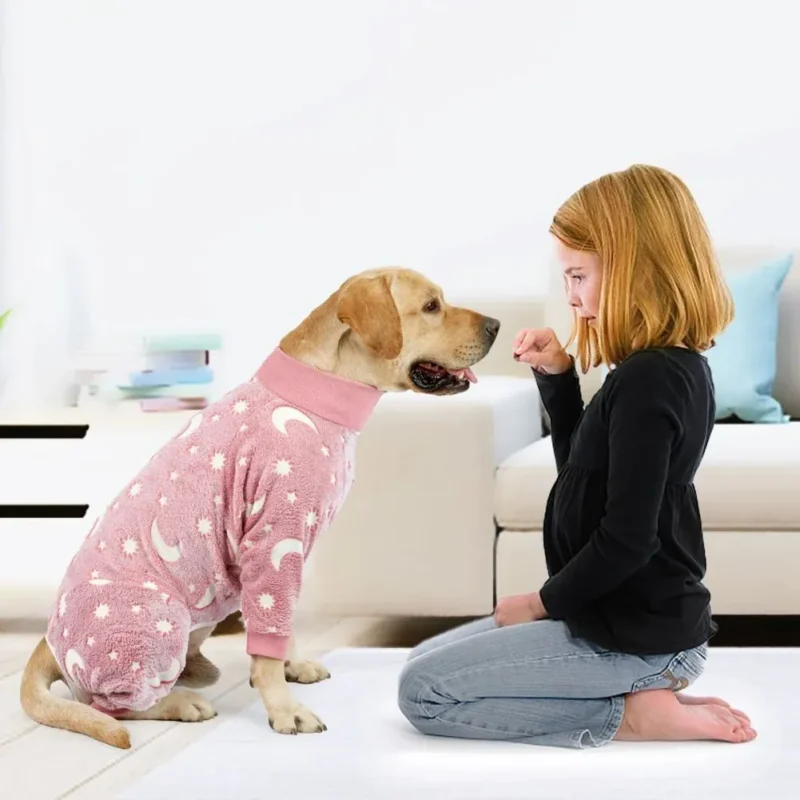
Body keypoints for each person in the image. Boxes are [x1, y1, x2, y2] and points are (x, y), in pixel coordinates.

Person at [397, 164, 757, 748]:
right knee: (423, 659)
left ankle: (634, 712)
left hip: (629, 635)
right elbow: (583, 483)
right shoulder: (658, 371)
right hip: (617, 626)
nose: (571, 297)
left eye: (578, 275)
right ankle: (651, 691)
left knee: (423, 692)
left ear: (636, 266)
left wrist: (540, 604)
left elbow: (628, 539)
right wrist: (559, 381)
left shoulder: (651, 380)